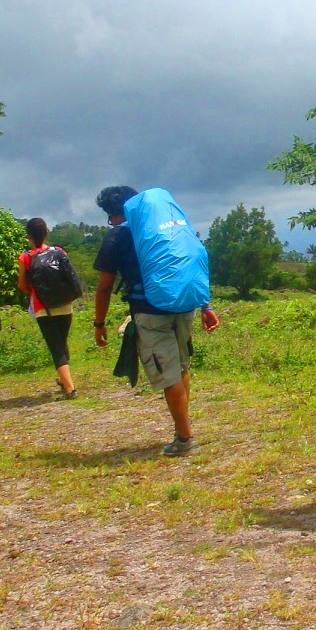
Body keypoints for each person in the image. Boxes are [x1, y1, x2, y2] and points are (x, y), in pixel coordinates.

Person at [92, 185, 220, 456]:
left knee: (168, 373)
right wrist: (206, 305)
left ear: (117, 212)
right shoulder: (168, 229)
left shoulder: (118, 237)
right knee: (181, 366)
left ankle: (184, 438)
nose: (110, 221)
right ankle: (182, 429)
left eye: (110, 215)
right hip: (184, 306)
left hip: (150, 313)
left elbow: (104, 287)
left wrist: (99, 323)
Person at [16, 216, 79, 399]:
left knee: (56, 347)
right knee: (61, 342)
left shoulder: (26, 258)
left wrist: (36, 292)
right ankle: (65, 380)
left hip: (43, 308)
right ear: (46, 233)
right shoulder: (59, 252)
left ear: (28, 235)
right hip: (65, 305)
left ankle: (69, 389)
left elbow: (21, 284)